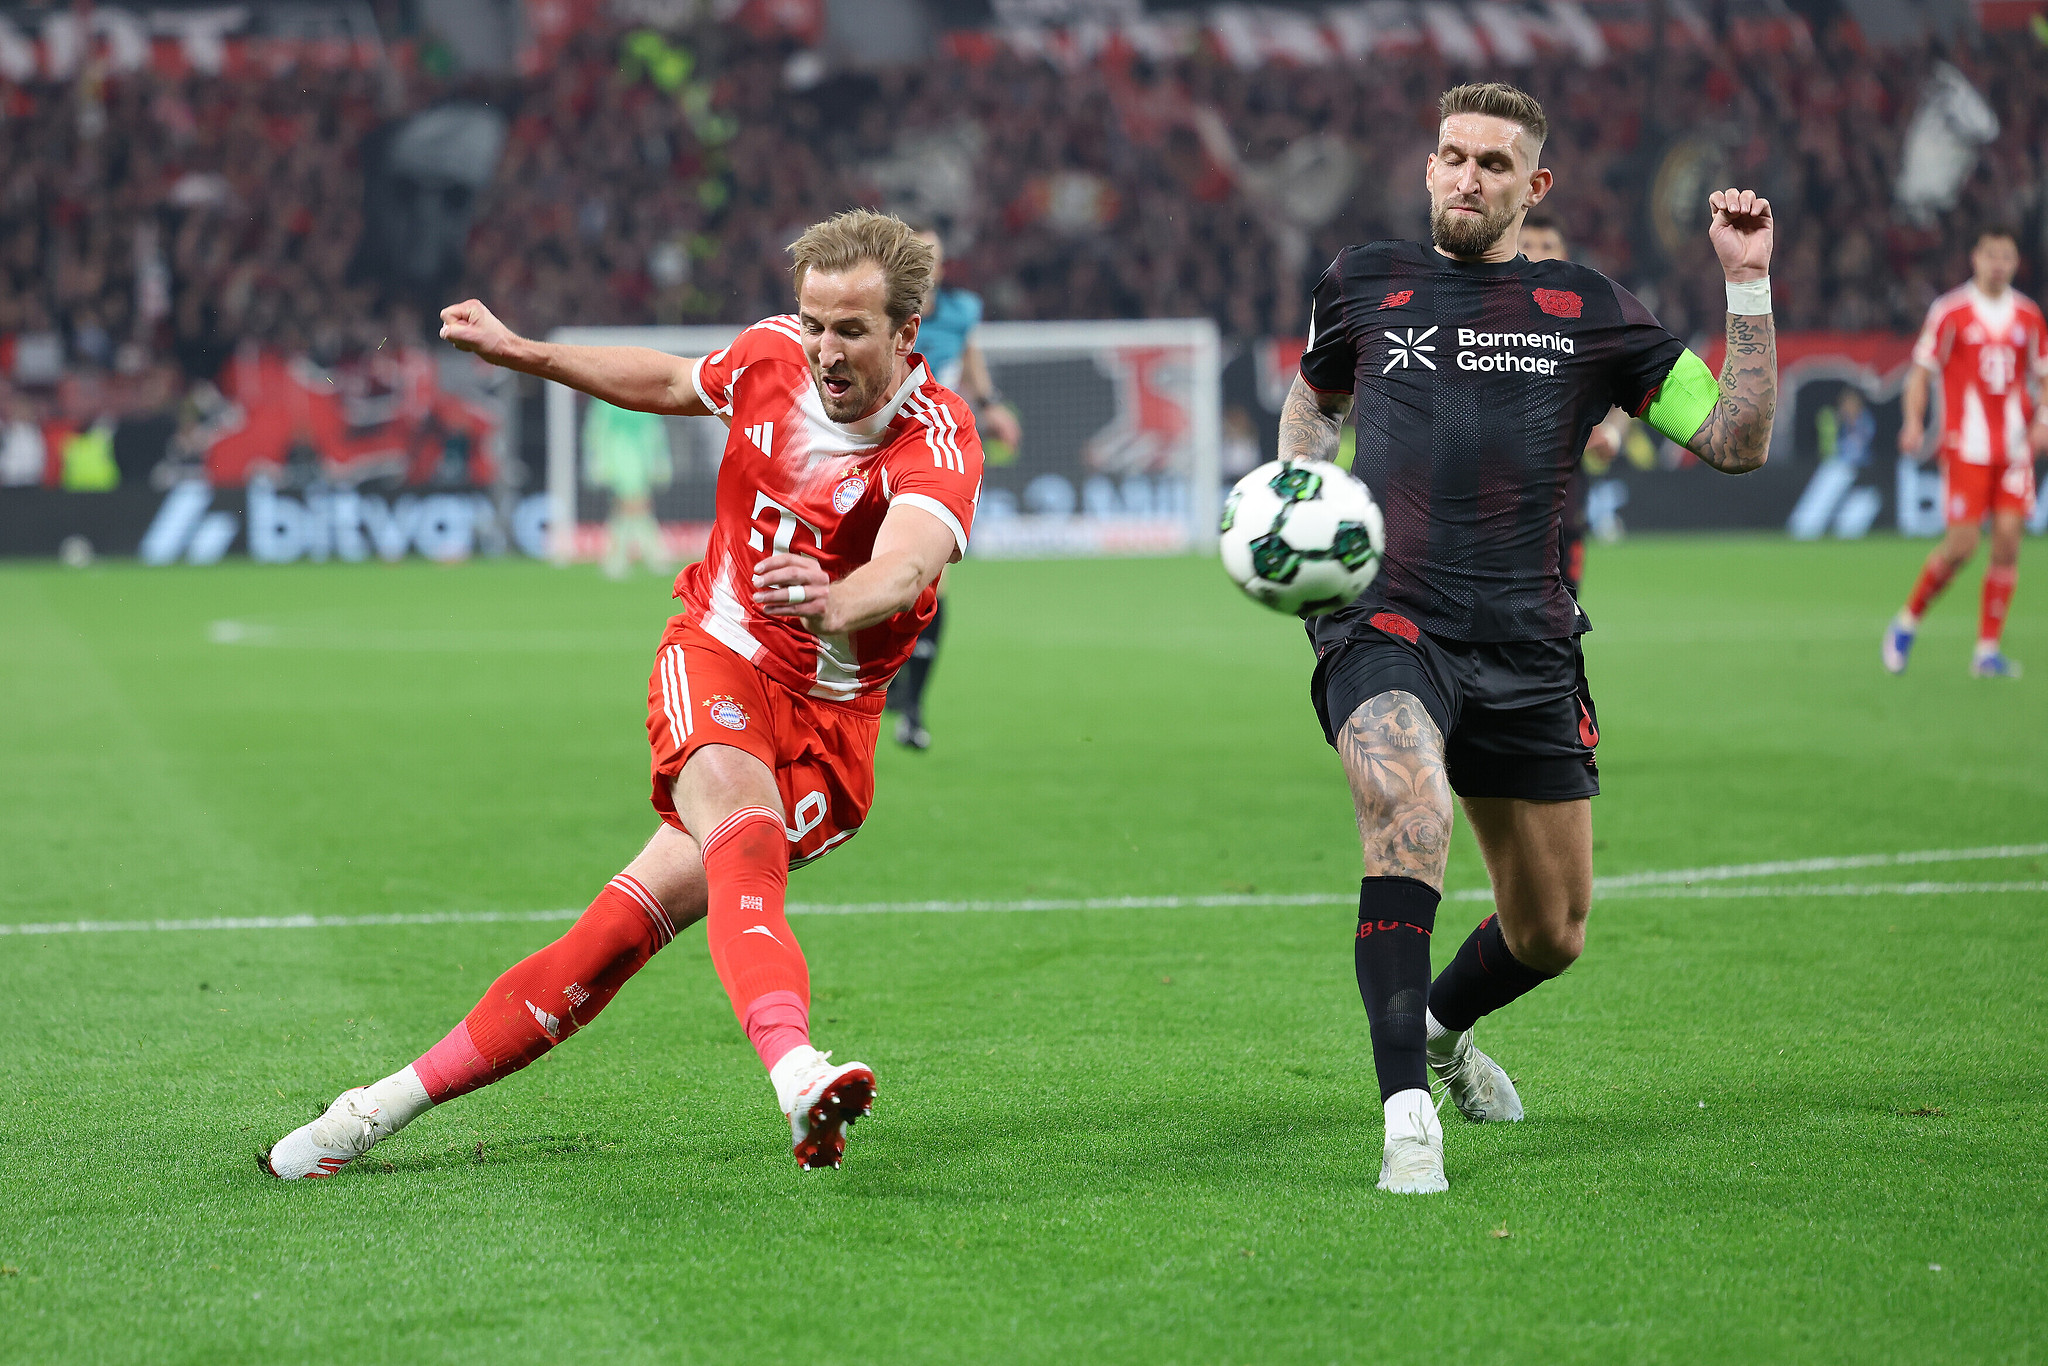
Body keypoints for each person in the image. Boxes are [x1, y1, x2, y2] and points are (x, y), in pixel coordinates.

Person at [262, 210, 983, 1178]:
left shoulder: (936, 436)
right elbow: (673, 383)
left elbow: (905, 567)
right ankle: (797, 1071)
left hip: (833, 724)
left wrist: (832, 598)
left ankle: (367, 1112)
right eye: (812, 322)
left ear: (906, 334)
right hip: (719, 653)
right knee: (744, 833)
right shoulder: (769, 357)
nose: (822, 349)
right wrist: (526, 353)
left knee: (610, 939)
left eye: (849, 329)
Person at [1277, 82, 1776, 1193]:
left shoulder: (1587, 306)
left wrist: (1746, 284)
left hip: (1527, 636)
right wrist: (1298, 497)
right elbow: (1315, 398)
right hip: (1383, 616)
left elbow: (1737, 440)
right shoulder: (1361, 281)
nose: (1465, 178)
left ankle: (1446, 1032)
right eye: (1450, 156)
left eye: (1492, 165)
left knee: (1549, 929)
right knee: (1409, 806)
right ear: (1425, 167)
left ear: (1531, 186)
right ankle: (1405, 1108)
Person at [1883, 227, 2047, 678]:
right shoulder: (1950, 311)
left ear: (2016, 263)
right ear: (1975, 258)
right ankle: (1906, 621)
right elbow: (1921, 373)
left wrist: (2043, 424)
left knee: (2009, 541)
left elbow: (2043, 376)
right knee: (1962, 546)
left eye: (2007, 256)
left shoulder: (2029, 317)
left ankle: (1987, 652)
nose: (1998, 263)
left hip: (2014, 449)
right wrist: (1915, 421)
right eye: (1991, 254)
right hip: (1966, 446)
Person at [879, 228, 1020, 750]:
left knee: (930, 581)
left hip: (938, 458)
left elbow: (972, 358)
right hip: (878, 457)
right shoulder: (884, 313)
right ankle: (886, 683)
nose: (929, 265)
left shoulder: (962, 312)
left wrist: (992, 404)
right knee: (880, 572)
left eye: (935, 257)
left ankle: (913, 708)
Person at [1516, 214, 1631, 596]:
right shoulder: (1481, 318)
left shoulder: (1584, 323)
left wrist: (1612, 431)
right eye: (1527, 245)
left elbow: (1631, 382)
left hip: (1563, 502)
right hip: (1494, 503)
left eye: (1548, 246)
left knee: (1564, 616)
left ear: (1564, 256)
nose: (1537, 254)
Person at [582, 397, 674, 579]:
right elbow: (597, 427)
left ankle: (618, 558)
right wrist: (597, 459)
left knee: (630, 506)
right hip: (617, 452)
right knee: (633, 504)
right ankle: (649, 555)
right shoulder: (605, 396)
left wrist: (659, 459)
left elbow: (655, 428)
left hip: (640, 452)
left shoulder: (642, 391)